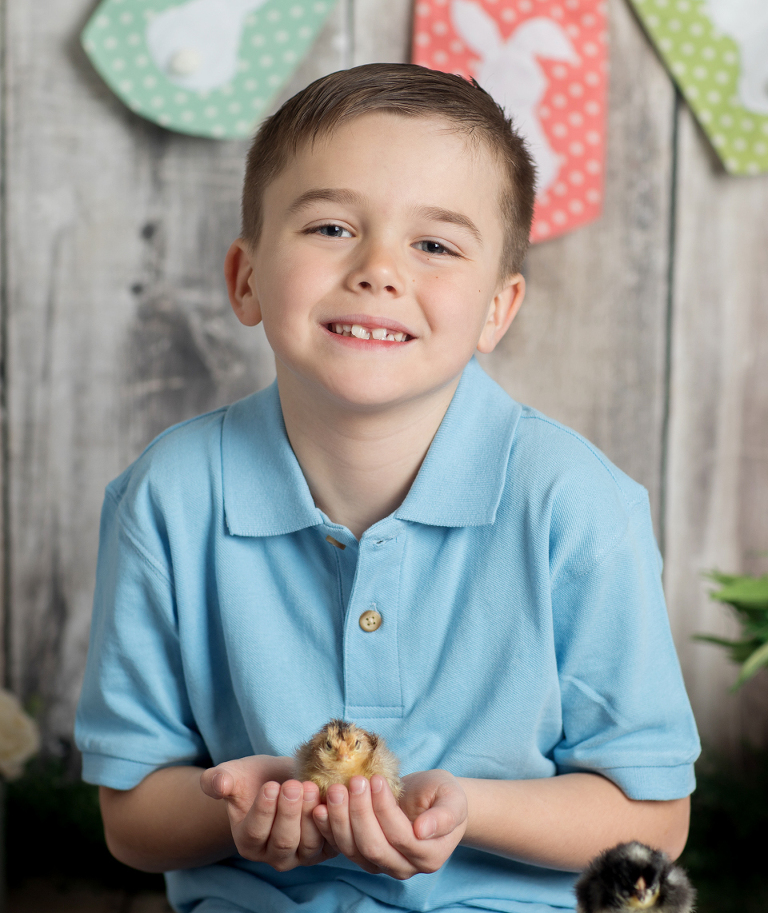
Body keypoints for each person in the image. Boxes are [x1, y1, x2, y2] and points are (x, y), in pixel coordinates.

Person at [75, 63, 700, 913]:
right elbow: (132, 821)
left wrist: (470, 808)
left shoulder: (578, 506)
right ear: (246, 277)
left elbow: (656, 818)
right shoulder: (167, 498)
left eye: (434, 244)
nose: (377, 269)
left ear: (497, 309)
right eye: (331, 226)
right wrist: (241, 800)